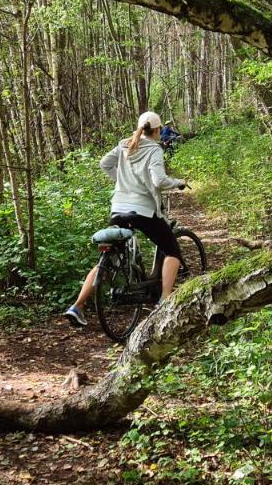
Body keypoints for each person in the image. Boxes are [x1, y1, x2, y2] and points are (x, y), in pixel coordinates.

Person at [64, 111, 186, 328]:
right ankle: (165, 300)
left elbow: (104, 164)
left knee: (109, 256)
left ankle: (77, 306)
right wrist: (178, 182)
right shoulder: (154, 149)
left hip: (118, 208)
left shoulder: (124, 144)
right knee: (172, 251)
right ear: (157, 130)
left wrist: (120, 181)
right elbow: (159, 180)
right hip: (143, 211)